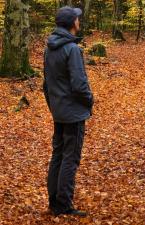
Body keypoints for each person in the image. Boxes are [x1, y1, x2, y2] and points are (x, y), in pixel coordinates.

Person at [43, 6, 93, 217]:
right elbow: (79, 85)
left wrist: (53, 105)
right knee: (70, 158)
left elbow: (46, 84)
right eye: (77, 19)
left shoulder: (50, 47)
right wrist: (89, 101)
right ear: (72, 23)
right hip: (72, 112)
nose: (79, 21)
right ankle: (63, 205)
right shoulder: (72, 49)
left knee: (58, 155)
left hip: (59, 110)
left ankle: (54, 202)